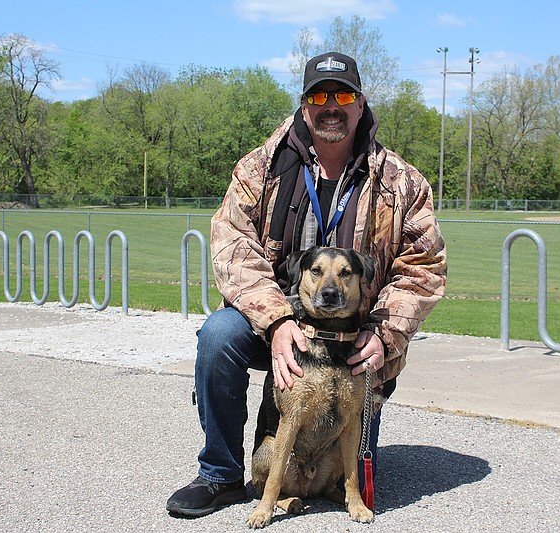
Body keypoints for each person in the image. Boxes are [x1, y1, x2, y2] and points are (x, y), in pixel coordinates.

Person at [166, 52, 447, 518]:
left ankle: (339, 469)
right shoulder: (262, 168)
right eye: (319, 95)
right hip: (276, 326)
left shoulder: (401, 182)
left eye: (343, 95)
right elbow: (231, 246)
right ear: (303, 105)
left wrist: (384, 335)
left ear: (359, 105)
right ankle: (220, 474)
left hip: (356, 339)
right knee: (219, 336)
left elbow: (423, 266)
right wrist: (276, 321)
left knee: (333, 474)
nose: (330, 105)